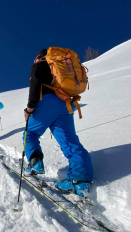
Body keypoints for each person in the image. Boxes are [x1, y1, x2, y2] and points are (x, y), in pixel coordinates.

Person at [23, 49, 94, 197]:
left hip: (46, 102)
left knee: (30, 133)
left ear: (39, 58)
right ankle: (80, 182)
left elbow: (35, 83)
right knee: (70, 141)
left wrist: (30, 108)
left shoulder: (40, 65)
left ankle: (35, 164)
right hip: (65, 103)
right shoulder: (62, 66)